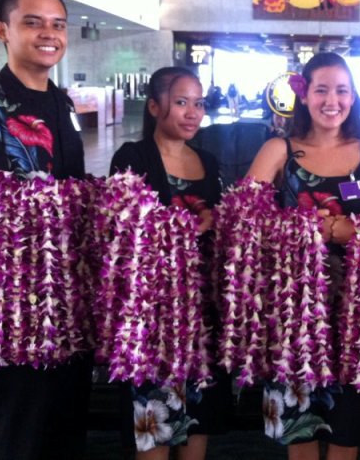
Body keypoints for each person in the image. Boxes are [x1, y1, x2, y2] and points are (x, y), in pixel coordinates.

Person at [247, 52, 360, 460]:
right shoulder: (278, 149)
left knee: (346, 435)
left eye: (342, 90)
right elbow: (244, 221)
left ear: (354, 96)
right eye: (321, 89)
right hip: (294, 318)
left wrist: (351, 231)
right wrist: (301, 229)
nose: (332, 100)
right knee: (300, 435)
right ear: (303, 95)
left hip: (356, 320)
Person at [0, 0, 91, 460]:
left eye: (57, 24)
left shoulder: (63, 103)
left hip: (71, 292)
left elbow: (76, 186)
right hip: (18, 300)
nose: (48, 34)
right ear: (2, 31)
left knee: (69, 420)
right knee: (26, 425)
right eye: (32, 22)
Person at [110, 67, 230, 460]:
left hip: (203, 316)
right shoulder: (133, 157)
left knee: (199, 420)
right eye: (181, 102)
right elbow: (124, 233)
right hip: (154, 319)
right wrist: (193, 227)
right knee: (156, 425)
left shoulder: (209, 162)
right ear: (154, 106)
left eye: (199, 103)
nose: (193, 112)